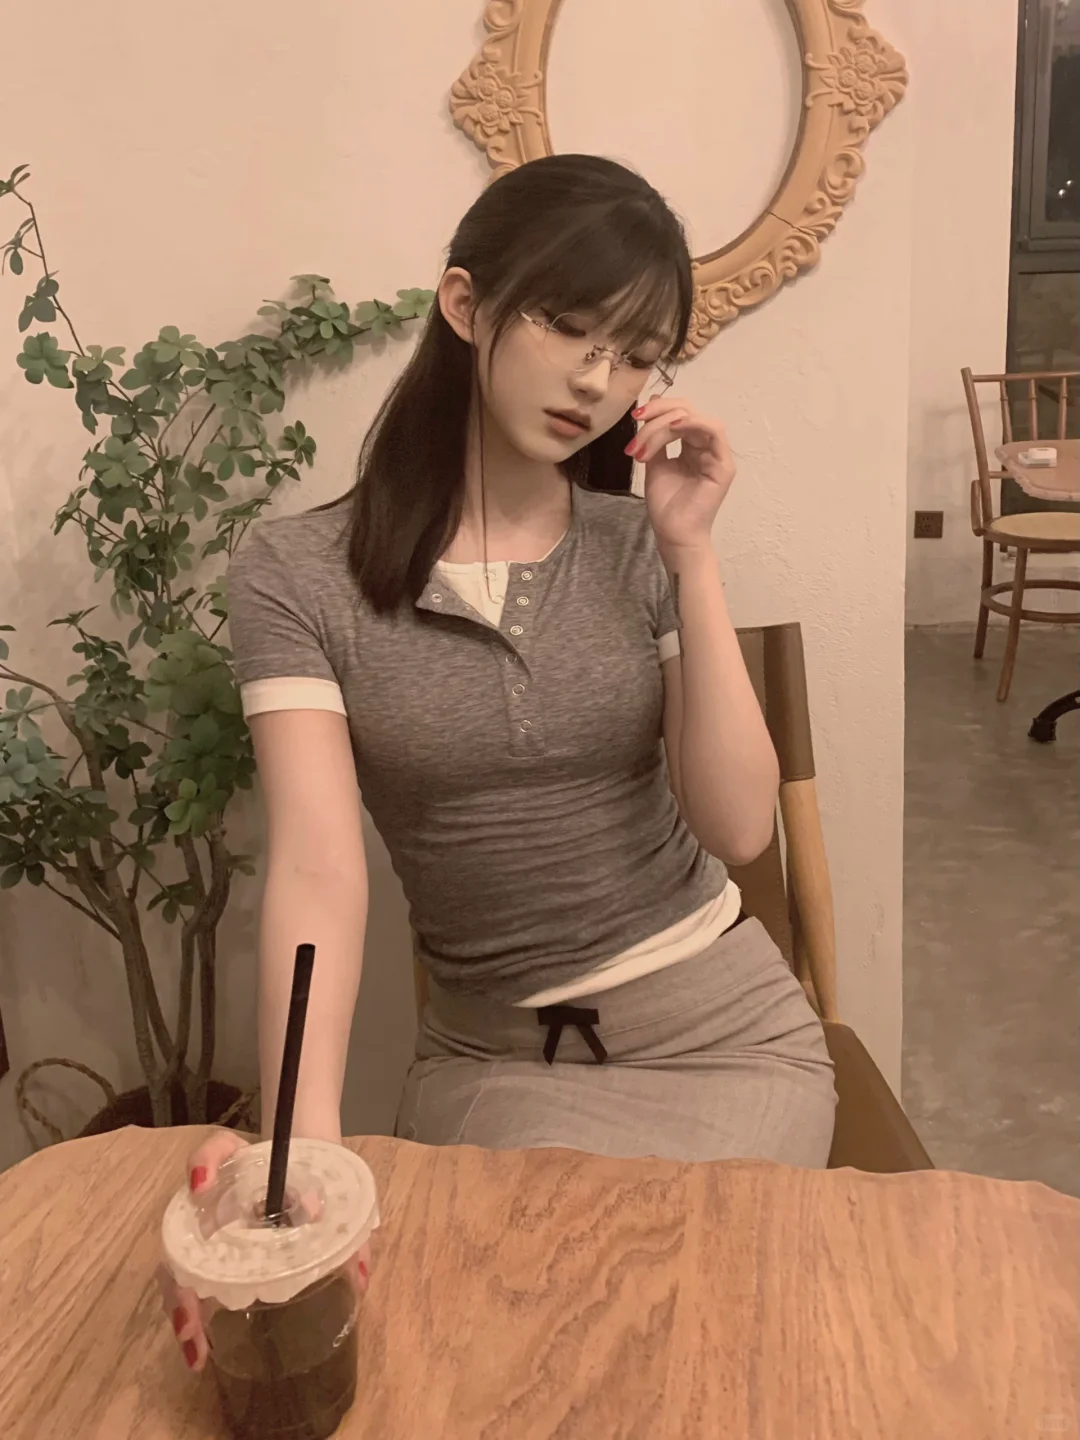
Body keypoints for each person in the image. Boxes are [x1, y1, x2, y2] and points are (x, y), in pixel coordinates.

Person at [164, 154, 836, 1370]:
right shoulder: (296, 576)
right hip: (498, 1061)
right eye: (568, 324)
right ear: (467, 306)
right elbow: (316, 871)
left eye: (635, 355)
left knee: (690, 1331)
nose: (597, 379)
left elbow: (740, 828)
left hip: (726, 1038)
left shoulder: (636, 544)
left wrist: (692, 555)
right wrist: (303, 1151)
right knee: (504, 1333)